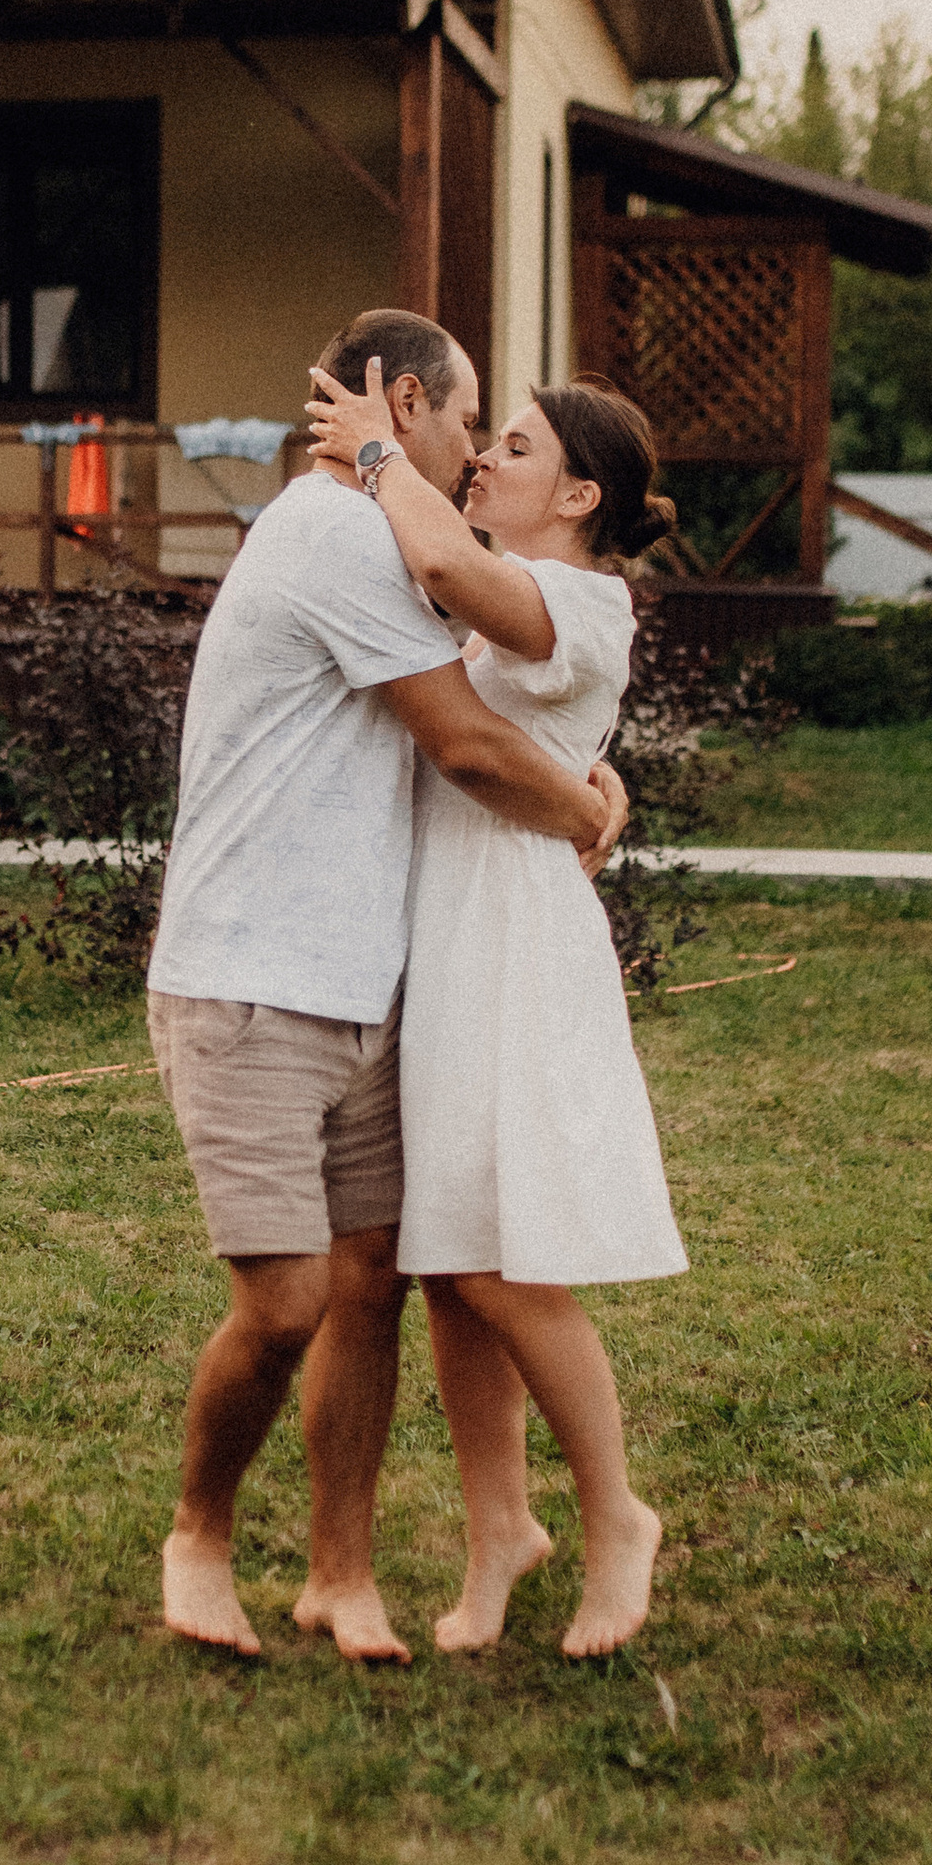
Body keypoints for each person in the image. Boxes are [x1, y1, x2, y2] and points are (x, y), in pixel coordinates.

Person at [145, 309, 628, 1664]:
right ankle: (200, 1534)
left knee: (369, 1283)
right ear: (404, 403)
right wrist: (582, 816)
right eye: (472, 422)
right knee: (288, 1296)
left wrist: (588, 772)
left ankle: (340, 1574)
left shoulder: (404, 542)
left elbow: (511, 690)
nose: (476, 456)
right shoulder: (332, 531)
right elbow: (468, 744)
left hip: (368, 980)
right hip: (248, 974)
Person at [303, 357, 683, 1660]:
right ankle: (499, 1531)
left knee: (505, 1264)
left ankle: (618, 1513)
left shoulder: (583, 598)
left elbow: (466, 583)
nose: (487, 460)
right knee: (453, 1261)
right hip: (444, 931)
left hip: (515, 937)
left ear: (578, 491)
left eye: (514, 449)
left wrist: (376, 452)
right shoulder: (511, 591)